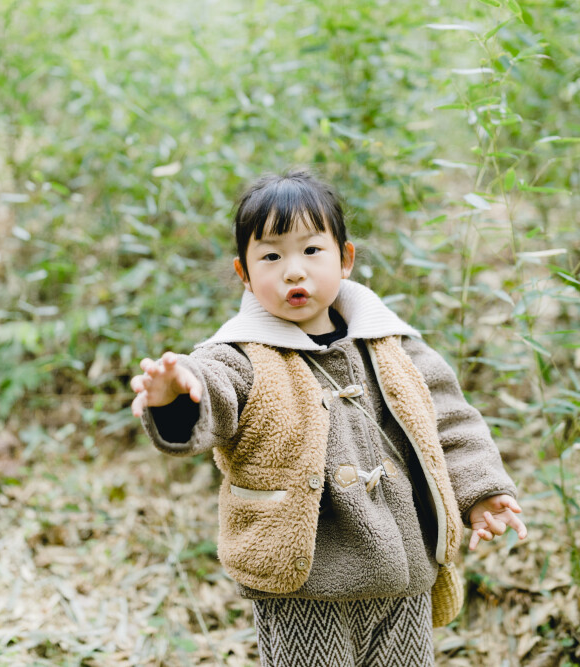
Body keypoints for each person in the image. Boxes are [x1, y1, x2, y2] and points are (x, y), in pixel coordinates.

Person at [130, 169, 526, 667]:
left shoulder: (391, 345)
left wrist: (482, 492)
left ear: (346, 258)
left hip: (402, 571)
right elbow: (214, 389)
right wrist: (174, 394)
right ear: (245, 275)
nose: (293, 271)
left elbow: (451, 422)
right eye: (271, 256)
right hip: (304, 582)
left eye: (311, 251)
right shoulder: (243, 356)